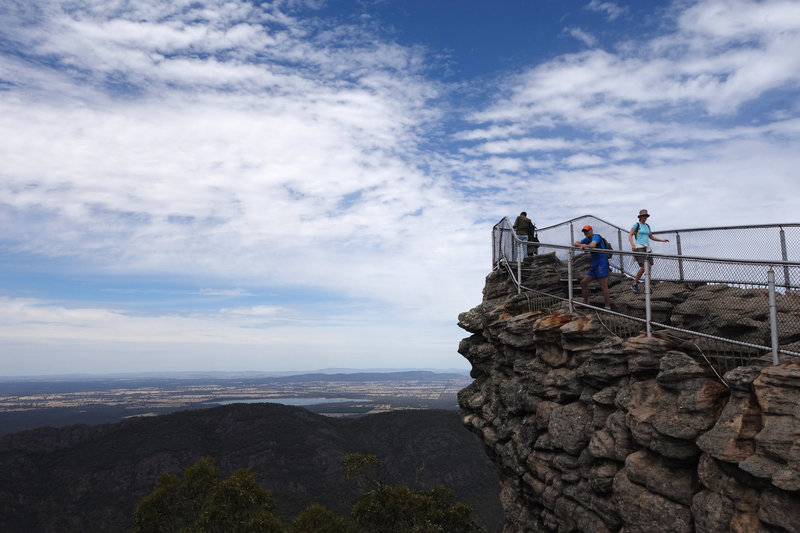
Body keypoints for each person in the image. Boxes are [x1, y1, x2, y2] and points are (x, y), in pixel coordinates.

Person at [628, 209, 669, 293]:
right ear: (640, 217)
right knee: (644, 267)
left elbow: (651, 237)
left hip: (647, 248)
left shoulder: (647, 226)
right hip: (639, 247)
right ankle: (635, 283)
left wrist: (662, 240)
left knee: (649, 267)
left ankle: (647, 286)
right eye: (643, 216)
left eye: (646, 216)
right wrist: (632, 245)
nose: (645, 218)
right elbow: (630, 235)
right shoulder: (636, 225)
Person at [573, 225, 611, 310]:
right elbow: (575, 243)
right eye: (584, 232)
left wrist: (584, 246)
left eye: (587, 231)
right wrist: (581, 244)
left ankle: (607, 307)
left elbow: (593, 245)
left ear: (591, 230)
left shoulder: (596, 237)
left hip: (602, 263)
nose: (586, 233)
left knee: (603, 285)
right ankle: (586, 303)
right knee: (583, 283)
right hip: (595, 265)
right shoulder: (587, 239)